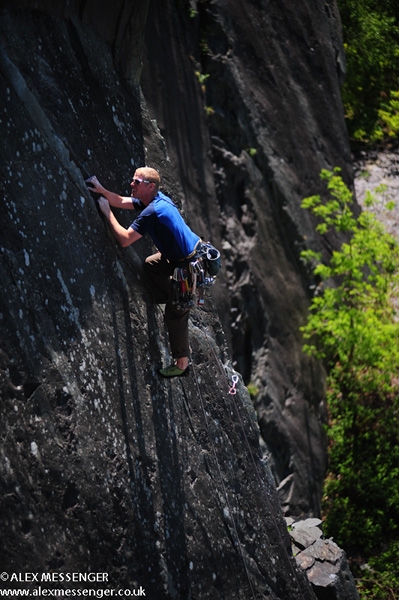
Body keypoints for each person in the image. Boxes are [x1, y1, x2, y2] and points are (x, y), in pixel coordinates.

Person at [86, 167, 201, 378]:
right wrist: (101, 190)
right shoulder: (155, 199)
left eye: (136, 182)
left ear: (150, 186)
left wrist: (107, 213)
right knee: (151, 264)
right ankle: (168, 295)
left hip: (188, 266)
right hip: (178, 257)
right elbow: (121, 200)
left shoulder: (153, 211)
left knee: (176, 313)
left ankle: (182, 364)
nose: (132, 184)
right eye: (132, 181)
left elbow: (124, 239)